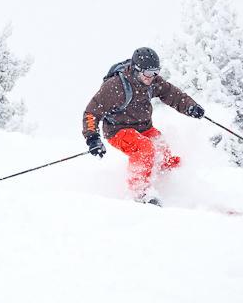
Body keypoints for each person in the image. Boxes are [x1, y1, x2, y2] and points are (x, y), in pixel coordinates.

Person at [82, 47, 205, 205]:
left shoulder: (152, 82)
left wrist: (190, 107)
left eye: (156, 72)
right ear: (135, 70)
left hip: (144, 127)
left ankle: (168, 182)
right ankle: (139, 192)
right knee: (145, 148)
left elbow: (172, 94)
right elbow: (91, 112)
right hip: (118, 130)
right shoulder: (116, 86)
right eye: (148, 73)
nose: (152, 77)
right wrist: (93, 138)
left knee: (160, 147)